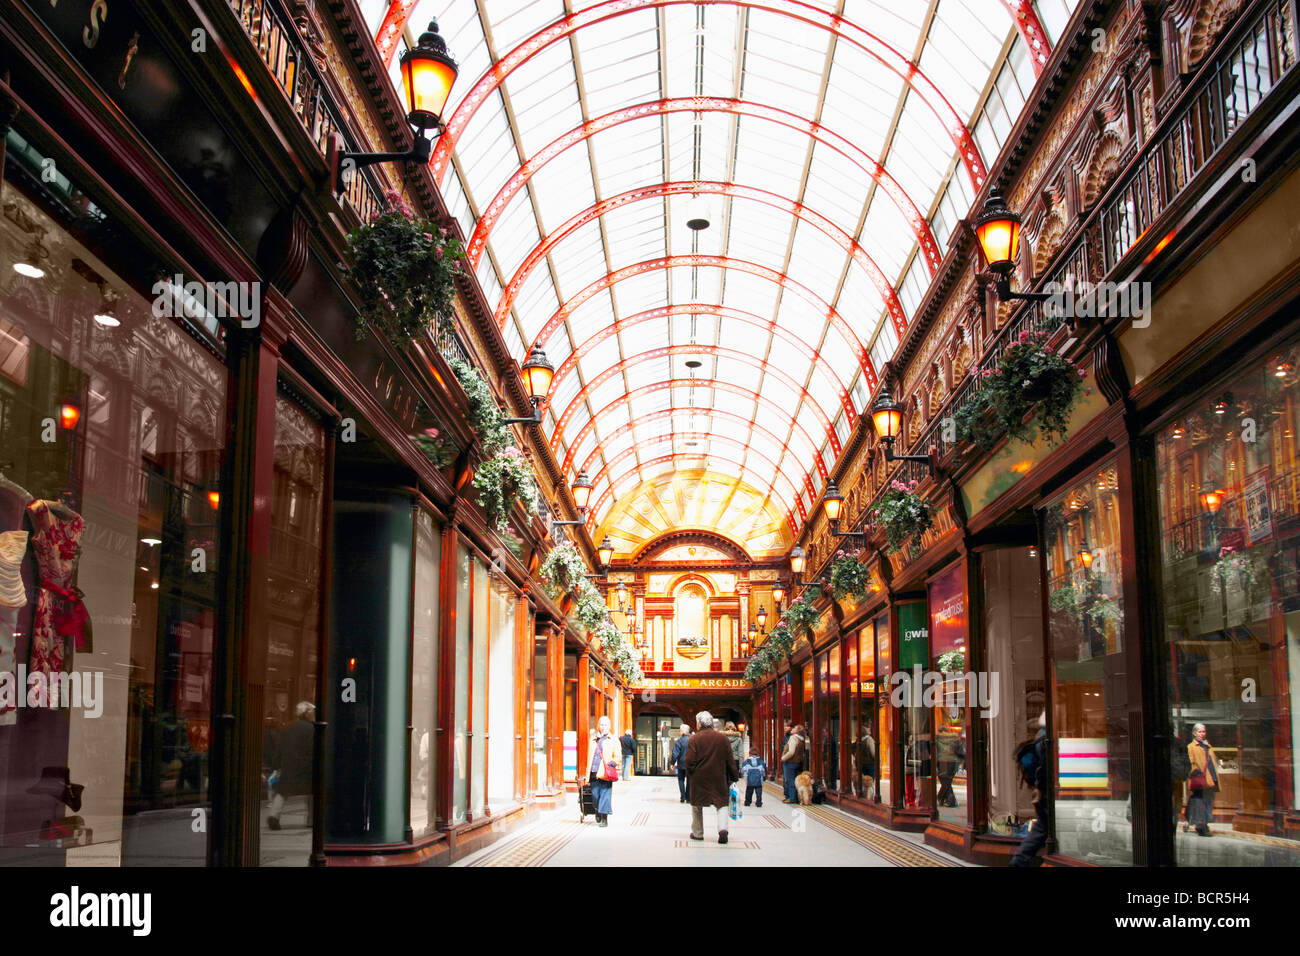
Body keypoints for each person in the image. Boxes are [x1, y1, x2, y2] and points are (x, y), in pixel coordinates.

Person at [684, 711, 739, 843]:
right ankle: (723, 830)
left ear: (699, 724)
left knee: (697, 806)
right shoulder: (722, 739)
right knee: (721, 804)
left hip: (699, 778)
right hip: (718, 777)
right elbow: (729, 760)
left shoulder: (694, 739)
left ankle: (698, 833)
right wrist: (734, 776)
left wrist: (690, 774)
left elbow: (689, 760)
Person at [268, 701, 316, 830]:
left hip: (289, 764)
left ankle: (274, 816)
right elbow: (313, 748)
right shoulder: (312, 728)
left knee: (283, 791)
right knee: (314, 791)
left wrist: (276, 765)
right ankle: (312, 819)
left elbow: (279, 748)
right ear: (307, 714)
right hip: (306, 765)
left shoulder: (287, 727)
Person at [1009, 712, 1049, 867]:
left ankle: (1019, 862)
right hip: (1046, 793)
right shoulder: (1045, 739)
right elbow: (1043, 768)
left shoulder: (1041, 735)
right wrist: (1040, 789)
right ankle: (1018, 863)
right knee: (1041, 830)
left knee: (1041, 829)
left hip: (1043, 791)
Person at [1186, 723, 1219, 837]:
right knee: (1200, 803)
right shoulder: (1191, 747)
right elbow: (1191, 763)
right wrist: (1197, 773)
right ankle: (1201, 826)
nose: (1202, 734)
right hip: (1200, 780)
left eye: (1203, 731)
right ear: (1194, 733)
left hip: (1210, 779)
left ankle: (1203, 824)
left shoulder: (1208, 745)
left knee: (1208, 802)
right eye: (1200, 732)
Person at [588, 715, 619, 827]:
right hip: (594, 771)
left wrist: (612, 763)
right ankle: (597, 810)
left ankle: (604, 818)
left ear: (609, 726)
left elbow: (618, 756)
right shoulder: (593, 739)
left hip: (605, 772)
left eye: (605, 724)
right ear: (598, 726)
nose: (603, 727)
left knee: (605, 795)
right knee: (595, 795)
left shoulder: (613, 739)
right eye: (601, 724)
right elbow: (589, 756)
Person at [781, 724, 807, 803]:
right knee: (795, 780)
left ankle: (791, 798)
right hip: (798, 762)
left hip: (790, 762)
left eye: (795, 728)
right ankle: (796, 797)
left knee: (789, 780)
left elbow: (791, 752)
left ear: (797, 731)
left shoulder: (793, 738)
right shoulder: (801, 739)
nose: (792, 729)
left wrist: (783, 758)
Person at [670, 724, 692, 803]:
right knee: (689, 780)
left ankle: (682, 796)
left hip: (681, 763)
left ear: (682, 732)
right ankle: (688, 797)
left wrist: (672, 763)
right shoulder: (692, 740)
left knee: (681, 779)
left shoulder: (679, 741)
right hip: (690, 763)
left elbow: (675, 753)